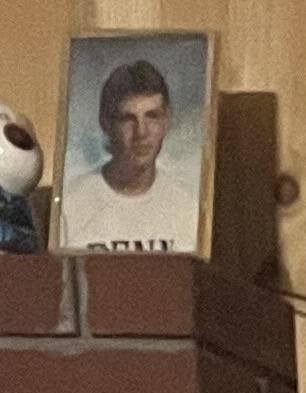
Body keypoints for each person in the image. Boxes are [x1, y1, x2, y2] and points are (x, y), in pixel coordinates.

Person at [58, 53, 201, 252]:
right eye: (128, 119)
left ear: (166, 121)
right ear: (106, 122)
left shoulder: (188, 208)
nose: (141, 132)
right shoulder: (68, 207)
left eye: (152, 116)